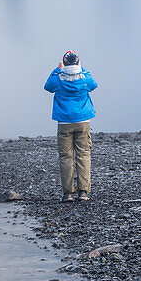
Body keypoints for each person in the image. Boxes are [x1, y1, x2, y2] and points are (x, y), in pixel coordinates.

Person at [43, 50, 98, 202]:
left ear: (64, 62)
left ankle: (68, 193)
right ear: (77, 62)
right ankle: (83, 192)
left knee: (66, 157)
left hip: (64, 122)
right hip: (82, 121)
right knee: (83, 155)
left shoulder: (59, 78)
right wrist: (82, 68)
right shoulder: (84, 77)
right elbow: (94, 84)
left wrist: (57, 69)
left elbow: (47, 87)